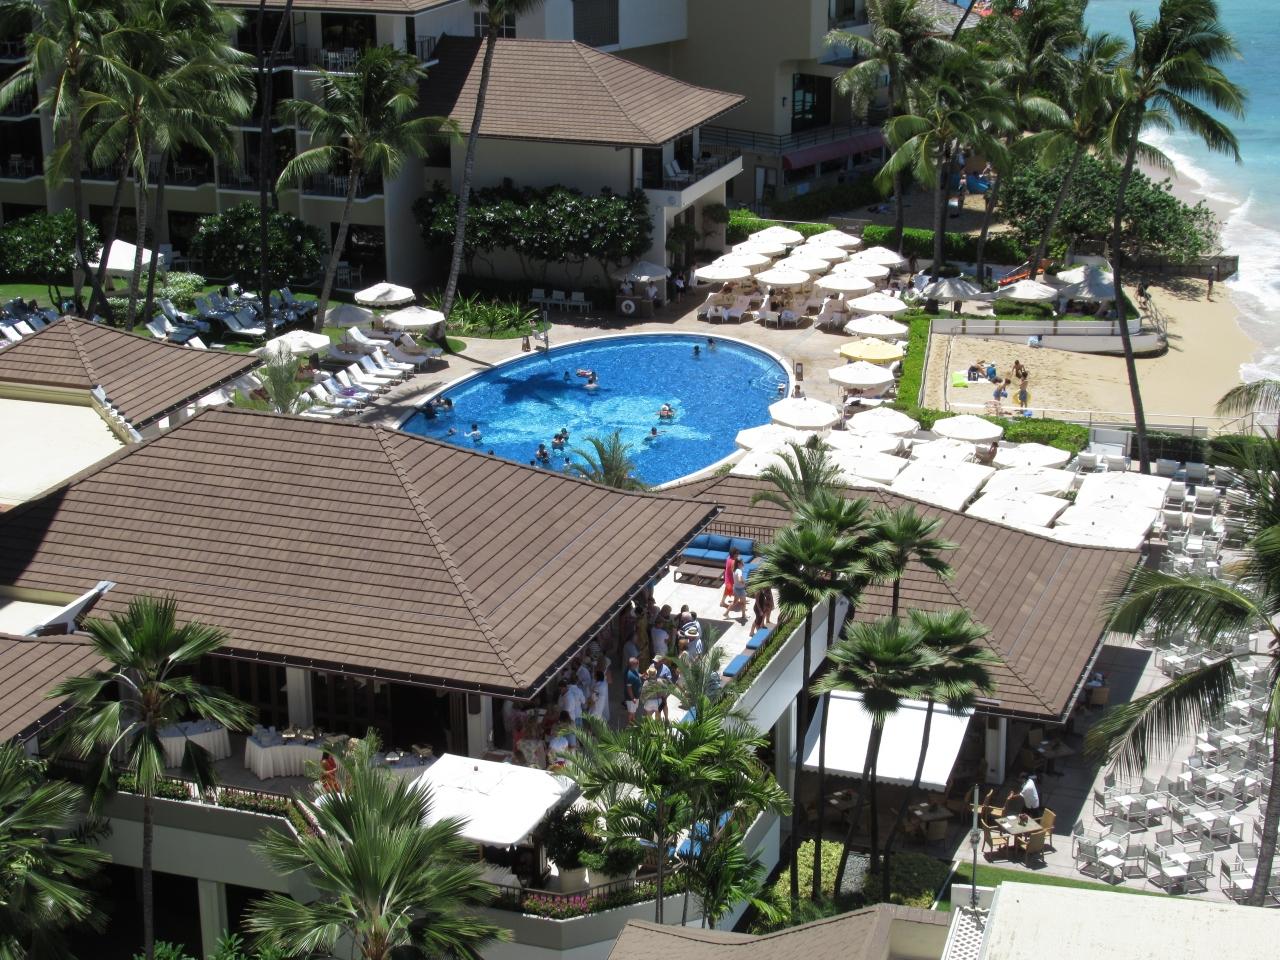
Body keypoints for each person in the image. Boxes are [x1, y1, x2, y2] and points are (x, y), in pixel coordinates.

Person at [624, 656, 643, 724]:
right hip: (631, 698)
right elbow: (629, 688)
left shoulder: (633, 670)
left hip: (636, 697)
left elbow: (637, 674)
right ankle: (630, 725)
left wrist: (642, 675)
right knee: (631, 712)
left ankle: (633, 722)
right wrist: (633, 698)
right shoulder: (630, 675)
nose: (638, 664)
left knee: (633, 711)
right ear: (633, 665)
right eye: (637, 663)